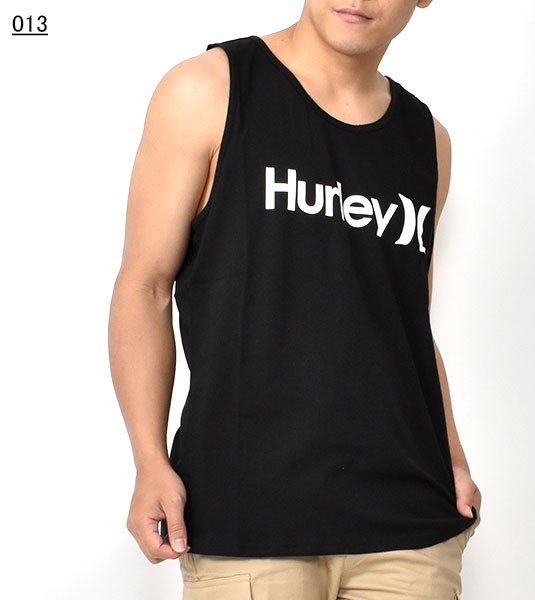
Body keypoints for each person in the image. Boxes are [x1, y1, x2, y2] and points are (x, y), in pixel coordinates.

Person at [108, 1, 482, 598]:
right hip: (249, 514)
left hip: (409, 518)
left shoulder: (428, 139)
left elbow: (408, 322)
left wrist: (453, 457)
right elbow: (144, 287)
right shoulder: (207, 90)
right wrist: (149, 459)